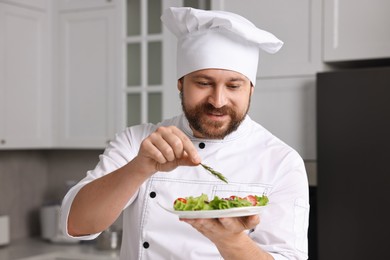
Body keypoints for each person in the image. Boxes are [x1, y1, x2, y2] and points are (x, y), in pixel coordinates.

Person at [60, 7, 310, 260]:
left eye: (234, 86)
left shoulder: (281, 162)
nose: (218, 100)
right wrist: (140, 167)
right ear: (181, 83)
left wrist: (230, 241)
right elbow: (76, 225)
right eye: (203, 83)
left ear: (251, 89)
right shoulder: (138, 141)